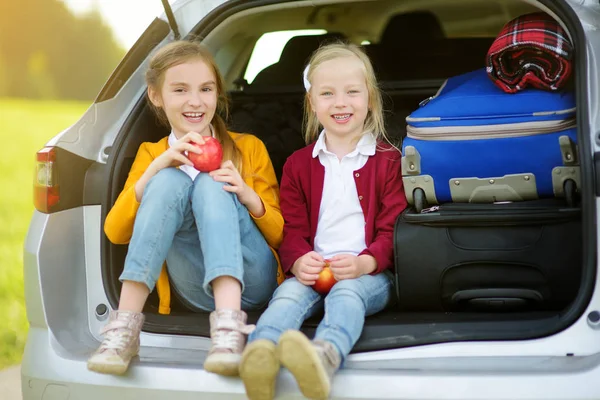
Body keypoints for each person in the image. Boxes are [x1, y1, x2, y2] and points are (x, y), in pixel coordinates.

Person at [87, 40, 284, 377]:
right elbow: (115, 232)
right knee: (166, 182)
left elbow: (281, 235)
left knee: (212, 183)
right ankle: (124, 330)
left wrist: (246, 194)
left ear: (217, 94)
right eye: (180, 90)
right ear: (156, 96)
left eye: (206, 89)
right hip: (193, 286)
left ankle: (228, 331)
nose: (195, 101)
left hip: (253, 277)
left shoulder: (248, 148)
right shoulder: (151, 153)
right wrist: (153, 172)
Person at [239, 42, 408, 400]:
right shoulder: (298, 165)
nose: (340, 103)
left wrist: (366, 262)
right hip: (315, 269)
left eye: (352, 92)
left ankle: (324, 355)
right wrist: (299, 260)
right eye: (327, 94)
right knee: (285, 297)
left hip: (369, 275)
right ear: (312, 104)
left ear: (370, 100)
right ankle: (260, 354)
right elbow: (293, 230)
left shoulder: (389, 161)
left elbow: (394, 228)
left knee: (346, 295)